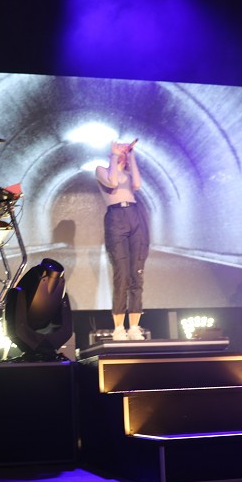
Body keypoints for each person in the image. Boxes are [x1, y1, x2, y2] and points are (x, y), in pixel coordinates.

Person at [96, 138, 149, 341]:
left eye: (125, 152)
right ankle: (119, 328)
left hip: (135, 215)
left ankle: (134, 327)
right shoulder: (101, 170)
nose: (124, 153)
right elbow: (113, 182)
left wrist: (133, 155)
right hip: (115, 218)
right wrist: (114, 155)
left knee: (137, 274)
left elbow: (136, 183)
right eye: (123, 151)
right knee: (122, 274)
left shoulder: (128, 173)